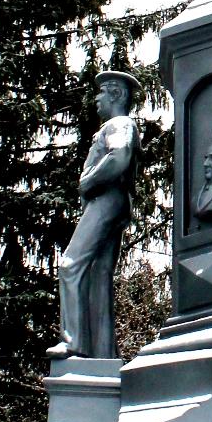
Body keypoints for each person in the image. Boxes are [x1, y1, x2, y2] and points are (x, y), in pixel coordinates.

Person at [55, 70, 141, 358]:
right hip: (114, 201)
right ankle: (102, 353)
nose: (96, 99)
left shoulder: (118, 124)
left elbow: (119, 157)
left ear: (116, 94)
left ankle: (73, 342)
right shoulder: (122, 125)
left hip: (106, 199)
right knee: (98, 275)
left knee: (70, 265)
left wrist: (88, 180)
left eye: (102, 93)